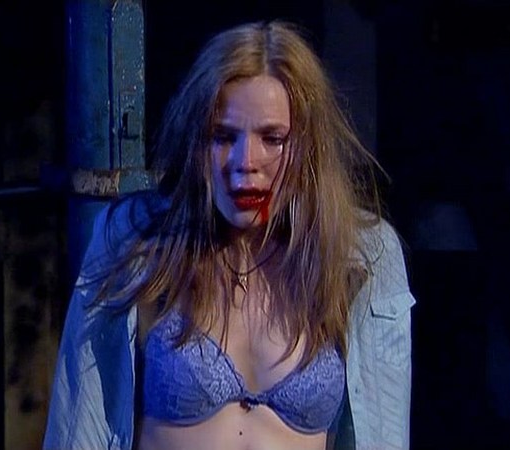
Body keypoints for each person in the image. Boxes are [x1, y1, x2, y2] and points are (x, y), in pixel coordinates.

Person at [43, 20, 415, 450]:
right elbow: (80, 423)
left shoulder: (361, 255)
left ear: (307, 146)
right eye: (223, 136)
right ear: (196, 139)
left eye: (272, 138)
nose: (245, 161)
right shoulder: (134, 240)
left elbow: (384, 430)